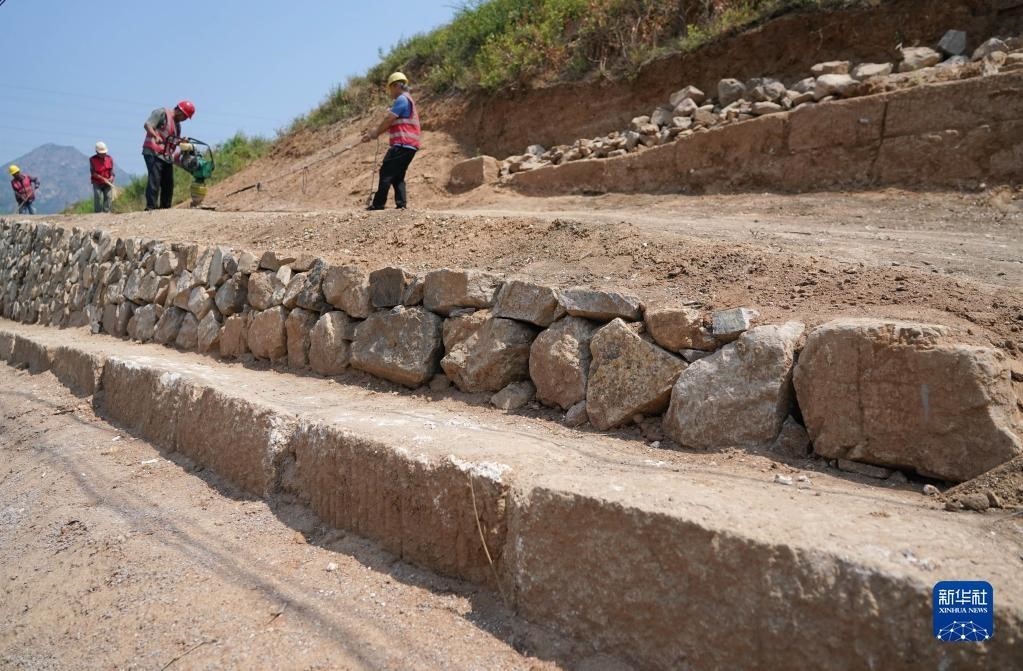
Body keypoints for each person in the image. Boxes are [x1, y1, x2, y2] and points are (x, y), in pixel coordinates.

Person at [361, 72, 420, 210]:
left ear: (396, 86)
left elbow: (389, 120)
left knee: (386, 173)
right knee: (398, 176)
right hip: (410, 146)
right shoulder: (409, 99)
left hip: (402, 144)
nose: (390, 92)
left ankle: (378, 204)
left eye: (390, 89)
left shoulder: (402, 99)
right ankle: (401, 204)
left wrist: (375, 133)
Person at [142, 100, 195, 210]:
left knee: (168, 183)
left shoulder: (177, 126)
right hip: (153, 151)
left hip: (166, 156)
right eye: (185, 116)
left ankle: (165, 208)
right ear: (179, 111)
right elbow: (147, 125)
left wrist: (181, 141)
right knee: (155, 179)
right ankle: (150, 208)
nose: (185, 119)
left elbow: (172, 140)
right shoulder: (162, 113)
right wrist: (155, 136)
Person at [90, 141, 115, 213]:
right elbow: (93, 173)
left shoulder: (110, 158)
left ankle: (106, 212)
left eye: (104, 153)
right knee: (97, 195)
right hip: (97, 182)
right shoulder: (92, 159)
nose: (103, 154)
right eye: (101, 153)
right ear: (97, 152)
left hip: (108, 182)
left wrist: (111, 178)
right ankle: (98, 213)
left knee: (108, 196)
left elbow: (112, 172)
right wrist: (102, 178)